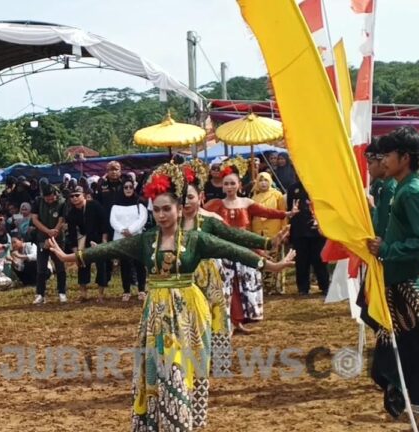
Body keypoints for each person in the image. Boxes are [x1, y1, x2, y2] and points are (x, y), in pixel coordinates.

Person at [46, 162, 295, 431]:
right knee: (157, 368)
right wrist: (70, 257)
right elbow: (109, 249)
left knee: (181, 369)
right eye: (157, 210)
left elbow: (233, 247)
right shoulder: (145, 240)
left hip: (189, 313)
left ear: (179, 209)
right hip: (155, 314)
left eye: (167, 209)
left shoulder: (196, 239)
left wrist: (270, 262)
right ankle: (156, 422)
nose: (162, 214)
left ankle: (181, 421)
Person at [362, 127, 419, 430]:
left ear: (405, 157)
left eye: (388, 154)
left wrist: (387, 249)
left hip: (408, 291)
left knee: (415, 363)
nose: (383, 159)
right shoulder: (400, 188)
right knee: (402, 363)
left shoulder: (411, 192)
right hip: (395, 287)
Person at [203, 156, 295, 333]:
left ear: (239, 185)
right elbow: (198, 214)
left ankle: (241, 320)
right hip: (224, 250)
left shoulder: (247, 203)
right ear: (222, 186)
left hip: (246, 248)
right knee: (228, 286)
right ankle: (229, 321)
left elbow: (267, 212)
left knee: (245, 284)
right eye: (226, 184)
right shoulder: (215, 205)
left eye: (232, 183)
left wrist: (287, 213)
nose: (229, 187)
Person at [286, 180, 330, 296]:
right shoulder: (292, 188)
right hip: (299, 230)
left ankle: (324, 285)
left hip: (317, 230)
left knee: (319, 259)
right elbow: (290, 208)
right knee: (301, 260)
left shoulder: (319, 186)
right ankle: (303, 288)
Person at [66, 185, 109, 302]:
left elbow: (104, 222)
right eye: (72, 196)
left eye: (77, 195)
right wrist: (75, 250)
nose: (74, 198)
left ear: (83, 195)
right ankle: (83, 294)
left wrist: (104, 240)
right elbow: (71, 233)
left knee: (101, 266)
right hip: (83, 241)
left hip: (98, 239)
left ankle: (101, 295)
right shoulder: (71, 213)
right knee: (82, 265)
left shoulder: (94, 205)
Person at [110, 178, 148, 301]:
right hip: (122, 239)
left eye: (130, 187)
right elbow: (113, 220)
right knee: (125, 265)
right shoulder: (115, 205)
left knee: (139, 265)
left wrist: (130, 230)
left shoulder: (139, 203)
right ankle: (126, 291)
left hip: (136, 238)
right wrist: (122, 230)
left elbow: (142, 219)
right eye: (125, 187)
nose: (128, 189)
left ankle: (141, 290)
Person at [251, 171, 288, 294]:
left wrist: (284, 231)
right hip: (258, 231)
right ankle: (263, 286)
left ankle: (275, 286)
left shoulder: (277, 195)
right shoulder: (253, 197)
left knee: (275, 257)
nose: (263, 183)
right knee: (262, 258)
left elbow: (283, 214)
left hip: (274, 230)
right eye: (260, 180)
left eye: (266, 180)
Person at [30, 183, 67, 304]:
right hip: (42, 238)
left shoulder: (62, 202)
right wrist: (47, 232)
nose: (50, 200)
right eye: (47, 199)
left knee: (60, 265)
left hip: (58, 238)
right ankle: (40, 294)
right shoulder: (37, 202)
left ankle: (62, 292)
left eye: (52, 198)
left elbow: (62, 220)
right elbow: (35, 219)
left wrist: (54, 233)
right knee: (41, 267)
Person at [366, 139, 397, 238]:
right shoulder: (386, 184)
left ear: (383, 162)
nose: (368, 168)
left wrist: (371, 208)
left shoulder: (389, 187)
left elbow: (381, 229)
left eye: (370, 163)